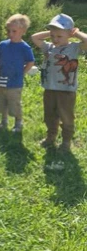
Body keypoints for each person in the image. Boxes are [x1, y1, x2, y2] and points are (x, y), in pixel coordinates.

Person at [31, 13, 87, 151]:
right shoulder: (49, 47)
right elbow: (34, 37)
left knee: (66, 117)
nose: (55, 39)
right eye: (53, 35)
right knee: (49, 115)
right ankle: (51, 137)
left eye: (59, 36)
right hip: (49, 89)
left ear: (69, 34)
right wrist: (52, 32)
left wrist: (76, 33)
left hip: (66, 91)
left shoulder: (74, 48)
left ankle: (66, 141)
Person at [0, 14, 35, 132]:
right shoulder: (3, 44)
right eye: (8, 31)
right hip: (2, 79)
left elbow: (30, 62)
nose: (10, 34)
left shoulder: (24, 47)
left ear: (23, 31)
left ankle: (18, 123)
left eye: (14, 31)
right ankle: (3, 121)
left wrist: (22, 72)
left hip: (15, 82)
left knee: (14, 103)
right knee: (2, 101)